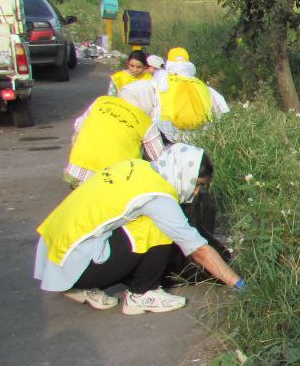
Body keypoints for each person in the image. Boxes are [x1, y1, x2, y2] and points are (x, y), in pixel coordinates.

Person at [34, 144, 244, 315]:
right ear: (184, 174)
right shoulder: (158, 196)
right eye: (197, 184)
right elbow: (199, 250)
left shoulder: (138, 167)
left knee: (142, 219)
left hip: (55, 253)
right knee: (157, 226)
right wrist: (239, 284)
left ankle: (79, 286)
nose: (197, 192)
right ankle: (143, 293)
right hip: (75, 263)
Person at [63, 81, 164, 187]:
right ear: (147, 99)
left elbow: (78, 126)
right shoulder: (145, 122)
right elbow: (159, 158)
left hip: (77, 170)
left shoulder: (101, 101)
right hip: (116, 179)